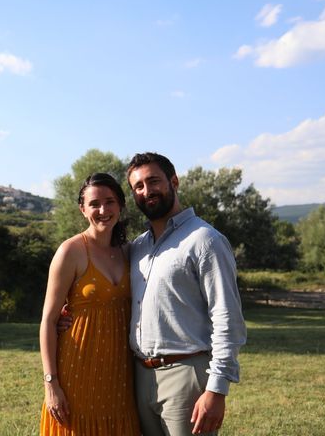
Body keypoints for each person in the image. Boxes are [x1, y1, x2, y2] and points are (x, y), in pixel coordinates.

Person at [59, 152, 247, 436]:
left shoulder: (205, 240)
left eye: (153, 181)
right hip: (138, 377)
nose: (147, 191)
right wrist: (69, 311)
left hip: (186, 374)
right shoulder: (137, 247)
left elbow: (227, 318)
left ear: (174, 181)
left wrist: (217, 389)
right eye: (138, 186)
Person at [39, 173, 140, 435]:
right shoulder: (70, 251)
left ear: (121, 206)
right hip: (78, 371)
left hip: (120, 375)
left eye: (110, 202)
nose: (103, 210)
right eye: (94, 204)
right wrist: (52, 385)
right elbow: (49, 321)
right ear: (83, 209)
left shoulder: (130, 252)